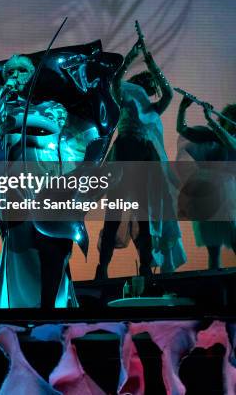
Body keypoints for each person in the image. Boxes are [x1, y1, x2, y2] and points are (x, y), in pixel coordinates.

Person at [0, 54, 75, 308]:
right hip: (16, 192)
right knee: (20, 253)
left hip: (50, 187)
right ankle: (20, 311)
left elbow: (51, 127)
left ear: (32, 75)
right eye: (10, 72)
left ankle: (51, 310)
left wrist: (9, 118)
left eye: (22, 71)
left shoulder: (50, 106)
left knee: (53, 252)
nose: (15, 76)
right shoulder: (0, 111)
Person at [96, 40, 186, 279]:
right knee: (114, 216)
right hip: (124, 158)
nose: (150, 85)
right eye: (146, 81)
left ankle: (145, 268)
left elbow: (168, 93)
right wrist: (130, 57)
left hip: (143, 161)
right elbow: (115, 82)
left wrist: (150, 61)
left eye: (151, 83)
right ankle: (102, 269)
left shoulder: (153, 109)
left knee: (144, 218)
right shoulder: (125, 98)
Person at [176, 97, 236, 269]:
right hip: (204, 194)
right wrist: (183, 107)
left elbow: (229, 144)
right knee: (213, 249)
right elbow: (182, 129)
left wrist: (210, 119)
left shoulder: (231, 139)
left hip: (226, 194)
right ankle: (215, 289)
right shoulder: (209, 135)